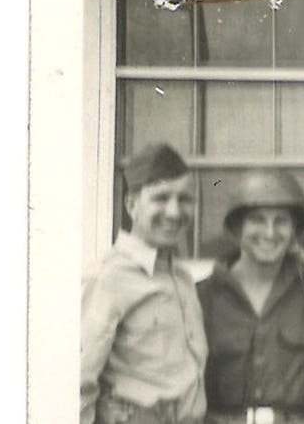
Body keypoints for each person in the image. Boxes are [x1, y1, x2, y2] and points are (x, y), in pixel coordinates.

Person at [82, 142, 210, 424]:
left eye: (185, 199)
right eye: (161, 198)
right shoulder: (108, 277)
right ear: (132, 205)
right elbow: (78, 383)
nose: (175, 212)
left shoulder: (182, 278)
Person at [196, 169, 304, 424]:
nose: (270, 232)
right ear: (236, 229)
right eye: (257, 220)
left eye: (281, 221)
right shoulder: (201, 297)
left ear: (294, 230)